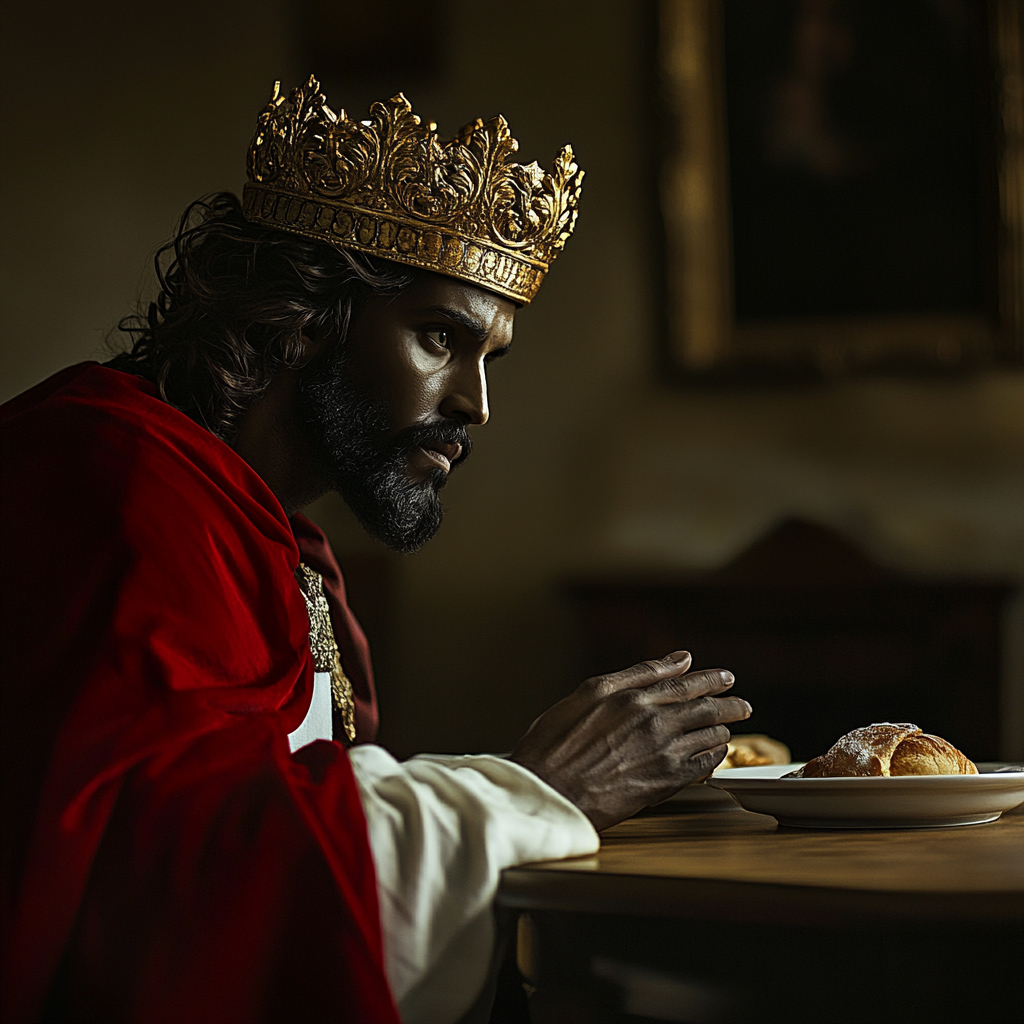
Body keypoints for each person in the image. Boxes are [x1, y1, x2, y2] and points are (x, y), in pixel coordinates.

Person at [0, 78, 751, 1024]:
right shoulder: (109, 491)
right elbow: (165, 892)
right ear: (310, 313)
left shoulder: (270, 536)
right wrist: (535, 792)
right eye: (441, 336)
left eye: (491, 358)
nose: (475, 403)